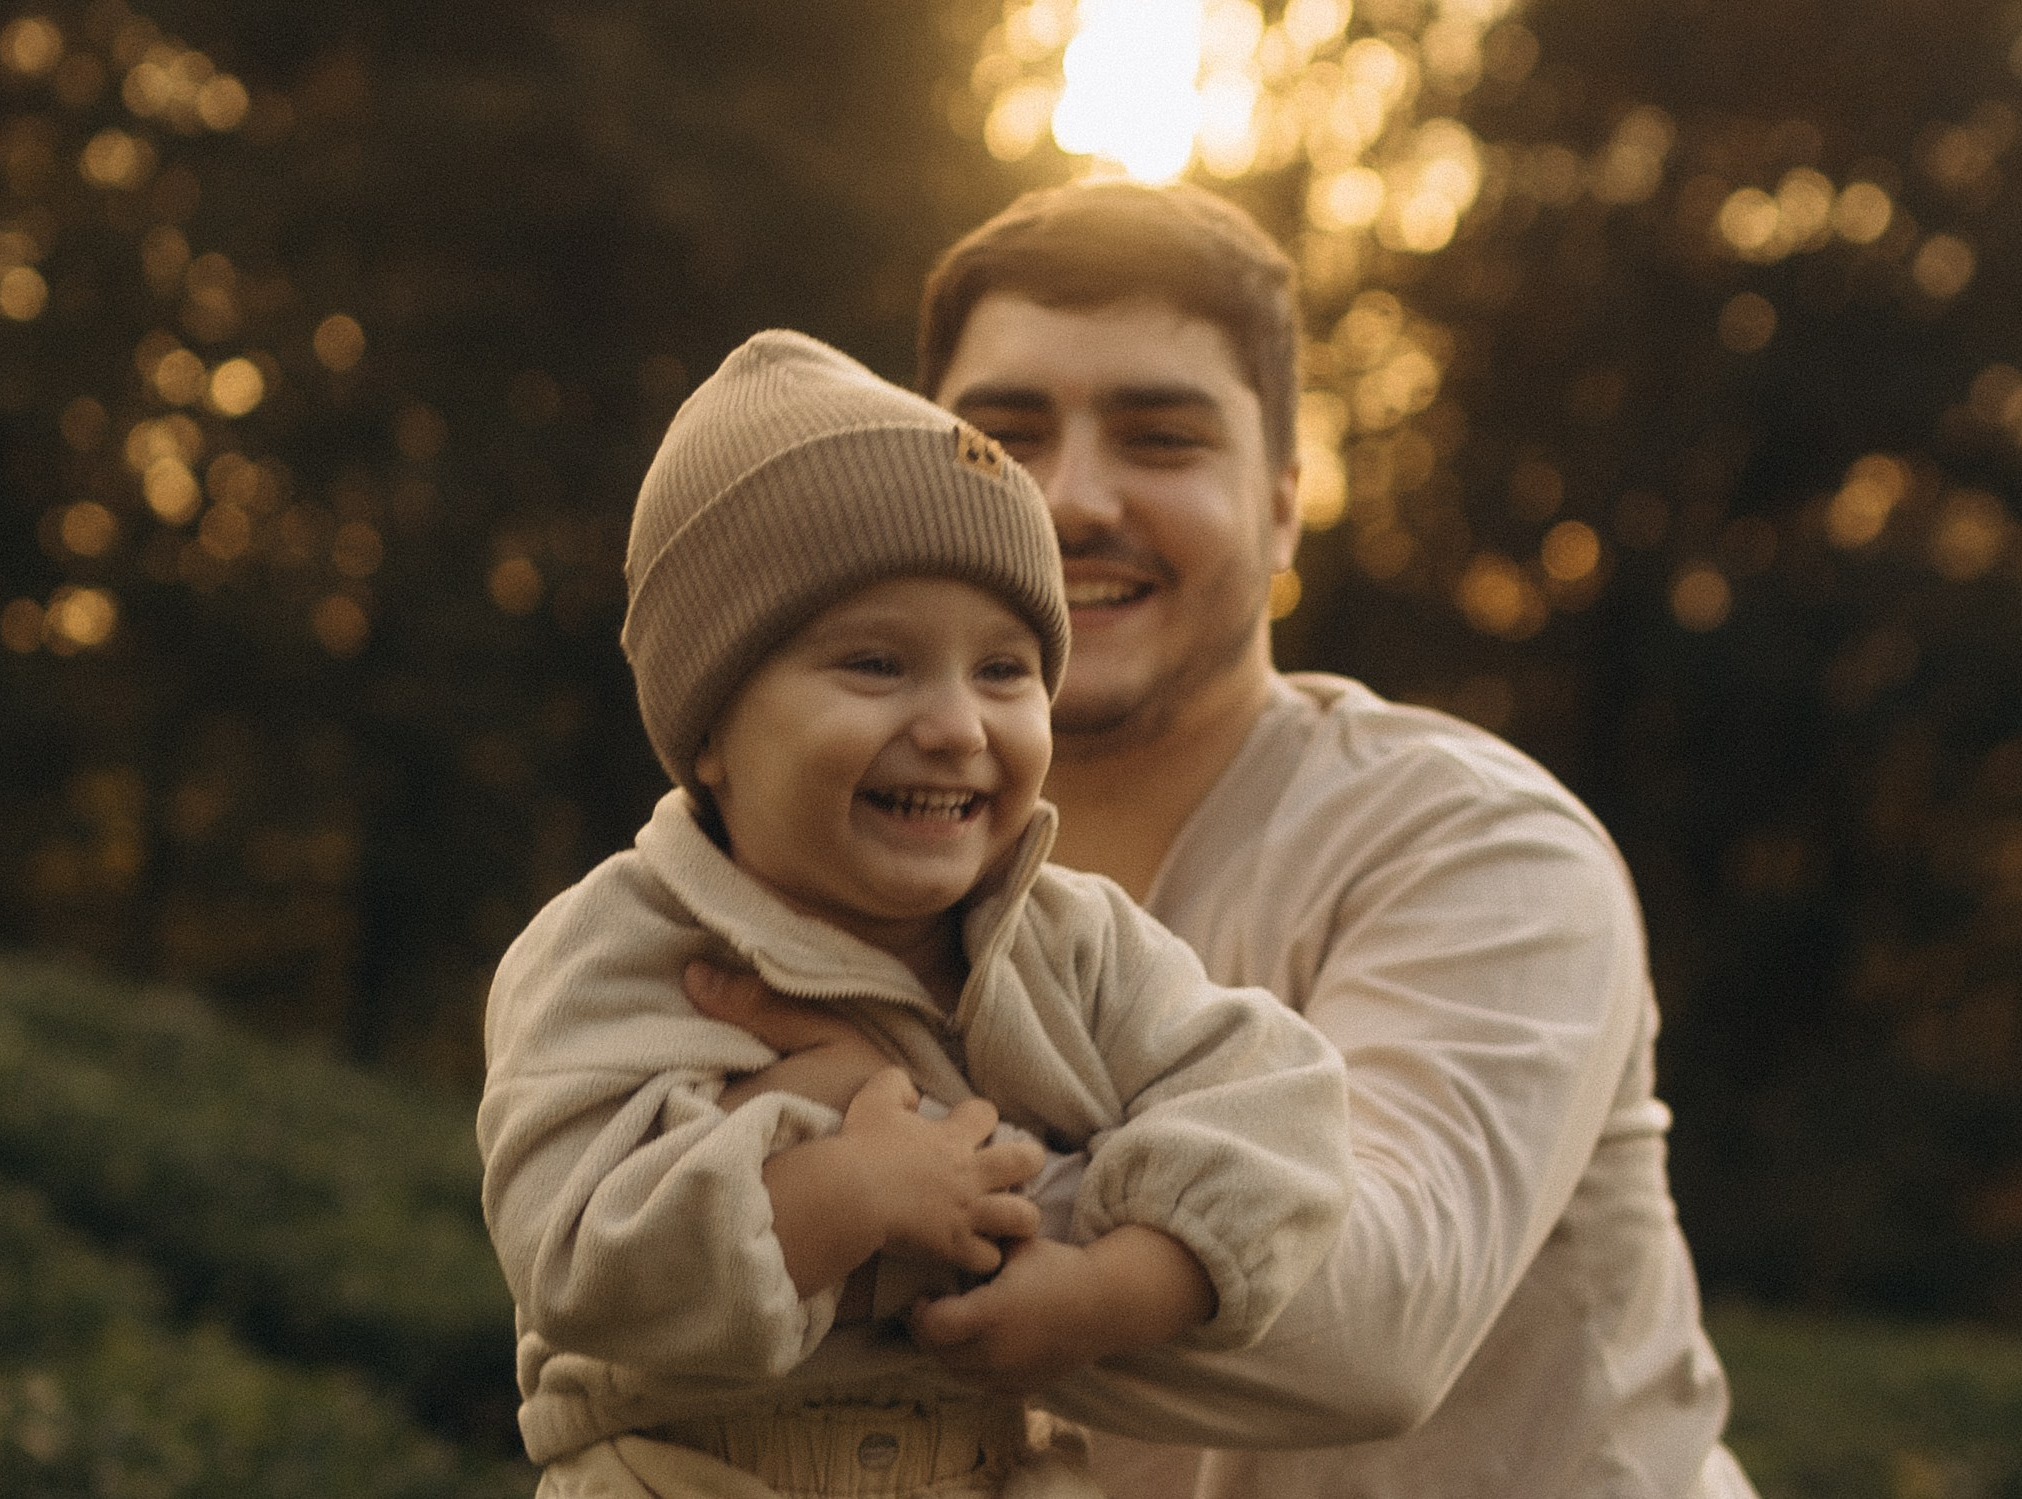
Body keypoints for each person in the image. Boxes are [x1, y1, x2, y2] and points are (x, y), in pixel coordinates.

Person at [684, 180, 1761, 1496]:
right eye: (1001, 436)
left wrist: (862, 1169)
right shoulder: (844, 876)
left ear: (1284, 504)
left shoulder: (1480, 847)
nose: (1069, 498)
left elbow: (1373, 1316)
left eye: (1161, 437)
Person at [476, 328, 1354, 1499]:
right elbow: (576, 1253)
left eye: (1003, 671)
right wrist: (843, 1189)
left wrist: (1109, 1290)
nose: (957, 725)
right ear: (708, 732)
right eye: (876, 665)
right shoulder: (621, 949)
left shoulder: (1072, 940)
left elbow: (1278, 1108)